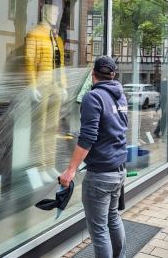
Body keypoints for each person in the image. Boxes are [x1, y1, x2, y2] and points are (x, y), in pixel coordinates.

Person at [60, 56, 128, 258]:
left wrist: (70, 170)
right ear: (113, 75)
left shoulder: (94, 97)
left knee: (99, 231)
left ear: (93, 74)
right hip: (118, 170)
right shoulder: (120, 96)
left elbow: (88, 137)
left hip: (100, 175)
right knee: (113, 218)